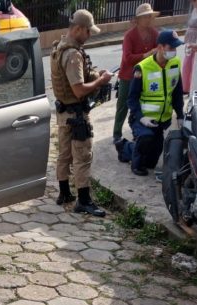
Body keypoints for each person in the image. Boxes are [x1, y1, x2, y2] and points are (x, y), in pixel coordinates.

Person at [50, 9, 114, 216]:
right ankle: (84, 201)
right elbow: (78, 89)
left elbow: (76, 78)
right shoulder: (73, 54)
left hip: (63, 114)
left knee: (64, 155)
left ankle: (64, 193)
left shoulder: (59, 46)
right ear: (78, 29)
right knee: (82, 157)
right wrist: (100, 81)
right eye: (88, 32)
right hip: (76, 115)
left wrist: (95, 73)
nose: (89, 36)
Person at [116, 30, 184, 176]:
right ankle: (135, 164)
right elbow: (132, 98)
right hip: (142, 119)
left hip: (162, 119)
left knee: (151, 162)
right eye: (171, 48)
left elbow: (177, 91)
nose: (174, 51)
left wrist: (180, 114)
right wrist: (141, 117)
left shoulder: (175, 64)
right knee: (145, 141)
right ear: (160, 47)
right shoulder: (142, 68)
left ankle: (125, 148)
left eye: (175, 48)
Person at [113, 3, 159, 143]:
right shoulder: (130, 35)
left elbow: (158, 49)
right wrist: (146, 55)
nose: (148, 19)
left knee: (141, 106)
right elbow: (127, 58)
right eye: (145, 17)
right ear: (137, 19)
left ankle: (137, 131)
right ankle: (117, 134)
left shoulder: (154, 33)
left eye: (149, 16)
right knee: (123, 105)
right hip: (128, 76)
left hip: (145, 76)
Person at [181, 0, 197, 94]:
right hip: (190, 40)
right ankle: (185, 87)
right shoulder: (194, 10)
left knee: (194, 63)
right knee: (187, 63)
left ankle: (192, 87)